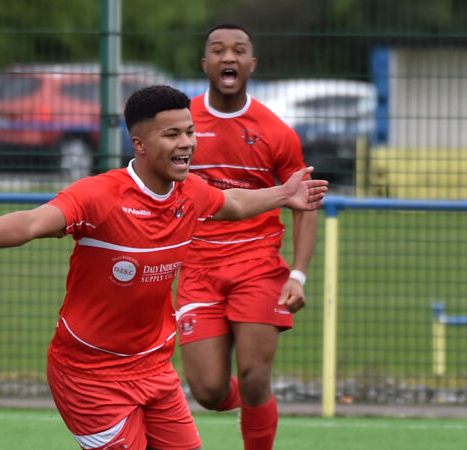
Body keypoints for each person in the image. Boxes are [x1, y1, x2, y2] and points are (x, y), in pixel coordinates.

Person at [0, 85, 327, 449]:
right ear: (140, 144)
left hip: (153, 366)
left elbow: (234, 203)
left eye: (190, 132)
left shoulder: (190, 192)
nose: (187, 143)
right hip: (89, 375)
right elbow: (33, 222)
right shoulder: (100, 196)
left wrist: (284, 194)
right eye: (173, 134)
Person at [175, 23, 319, 450]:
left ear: (251, 65)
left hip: (257, 265)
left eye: (238, 51)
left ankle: (258, 410)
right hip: (197, 267)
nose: (228, 57)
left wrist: (299, 274)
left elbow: (304, 202)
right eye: (218, 50)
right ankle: (256, 405)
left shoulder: (276, 132)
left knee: (256, 376)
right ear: (206, 64)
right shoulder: (182, 125)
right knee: (208, 391)